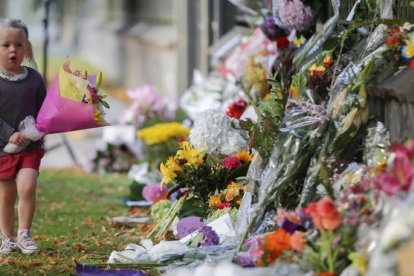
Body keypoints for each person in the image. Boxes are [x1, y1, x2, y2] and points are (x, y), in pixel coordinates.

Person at [0, 18, 47, 254]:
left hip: (31, 147)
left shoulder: (35, 79)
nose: (12, 50)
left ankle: (24, 235)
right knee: (7, 195)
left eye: (18, 45)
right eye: (5, 45)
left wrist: (38, 131)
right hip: (2, 149)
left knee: (27, 188)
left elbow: (45, 111)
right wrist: (9, 134)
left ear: (26, 48)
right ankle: (6, 237)